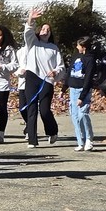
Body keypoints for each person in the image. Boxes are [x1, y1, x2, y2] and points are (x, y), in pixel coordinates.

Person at [23, 8, 66, 148]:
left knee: (45, 110)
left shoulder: (54, 48)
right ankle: (32, 140)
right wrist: (31, 19)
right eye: (43, 28)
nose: (45, 30)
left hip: (46, 80)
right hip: (32, 77)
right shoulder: (32, 43)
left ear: (50, 33)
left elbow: (61, 67)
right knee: (32, 109)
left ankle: (52, 131)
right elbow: (28, 32)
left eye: (48, 29)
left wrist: (55, 72)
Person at [68, 36, 97, 152]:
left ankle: (89, 139)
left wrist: (82, 96)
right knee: (75, 116)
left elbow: (88, 78)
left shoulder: (90, 59)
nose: (76, 47)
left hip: (83, 90)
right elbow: (70, 71)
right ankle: (80, 141)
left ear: (83, 47)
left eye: (78, 45)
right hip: (73, 89)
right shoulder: (76, 56)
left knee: (82, 114)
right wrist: (65, 86)